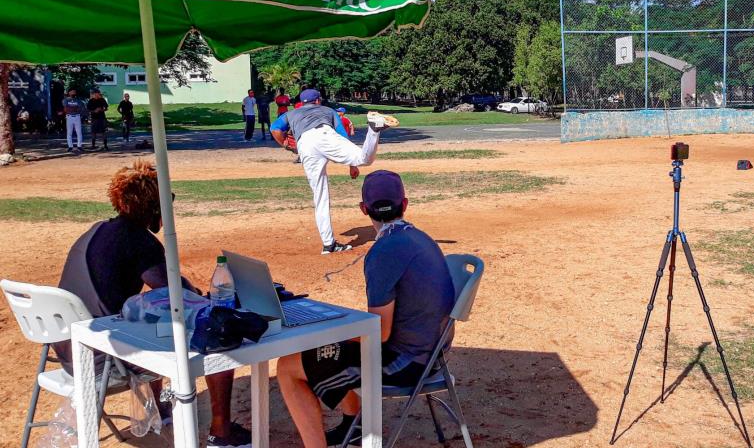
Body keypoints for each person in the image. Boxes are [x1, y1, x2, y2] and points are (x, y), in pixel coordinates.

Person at [51, 161, 251, 448]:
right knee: (215, 340)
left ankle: (159, 407)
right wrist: (206, 298)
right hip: (102, 358)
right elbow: (174, 289)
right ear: (154, 207)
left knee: (154, 323)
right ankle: (222, 433)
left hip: (70, 350)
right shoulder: (137, 240)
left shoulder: (101, 230)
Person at [276, 170, 455, 448]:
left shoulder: (382, 252)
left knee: (289, 366)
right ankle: (354, 423)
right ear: (404, 205)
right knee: (331, 348)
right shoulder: (421, 238)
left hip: (407, 363)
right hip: (433, 352)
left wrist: (328, 334)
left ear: (363, 209)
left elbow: (379, 334)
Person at [270, 89, 398, 254]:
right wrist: (352, 164)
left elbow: (275, 129)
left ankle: (328, 245)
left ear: (302, 102)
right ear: (317, 101)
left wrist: (286, 146)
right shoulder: (327, 110)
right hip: (325, 135)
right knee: (365, 159)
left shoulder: (292, 114)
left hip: (305, 145)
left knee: (320, 195)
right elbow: (341, 135)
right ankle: (373, 130)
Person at [62, 88, 85, 153]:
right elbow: (66, 108)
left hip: (77, 116)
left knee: (79, 132)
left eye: (74, 92)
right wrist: (73, 108)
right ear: (69, 93)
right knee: (69, 132)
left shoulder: (78, 100)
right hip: (69, 117)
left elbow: (80, 108)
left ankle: (79, 146)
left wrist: (72, 108)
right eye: (72, 92)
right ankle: (70, 146)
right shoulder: (66, 100)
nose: (73, 93)